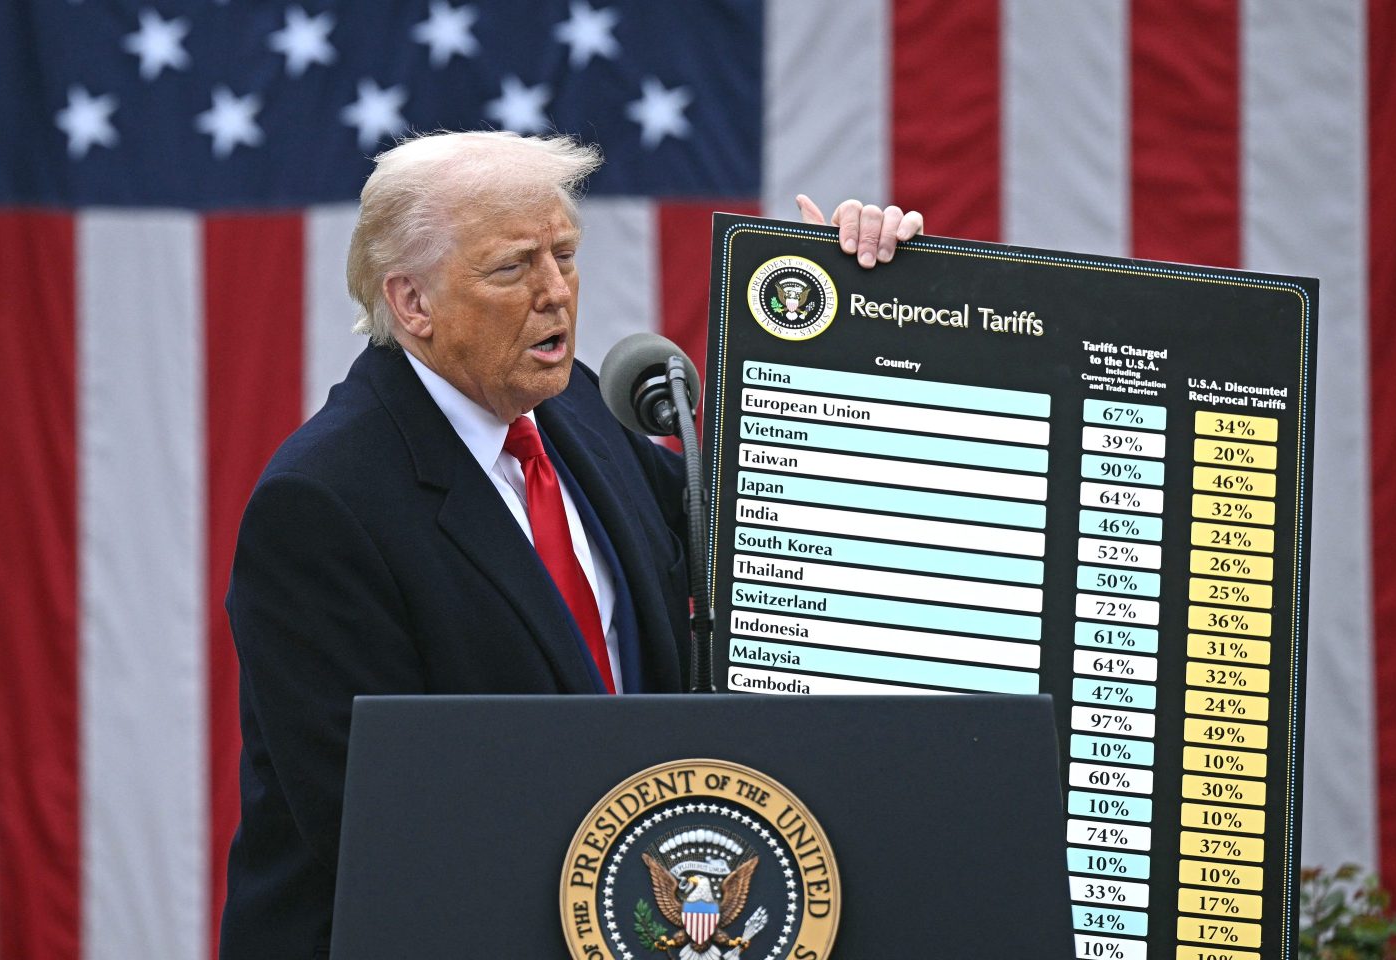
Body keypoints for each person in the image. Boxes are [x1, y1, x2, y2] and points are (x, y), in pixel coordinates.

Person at [218, 129, 922, 958]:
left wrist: (860, 323)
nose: (556, 292)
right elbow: (381, 825)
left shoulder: (578, 408)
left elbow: (772, 544)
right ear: (412, 303)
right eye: (514, 267)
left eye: (565, 254)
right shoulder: (322, 505)